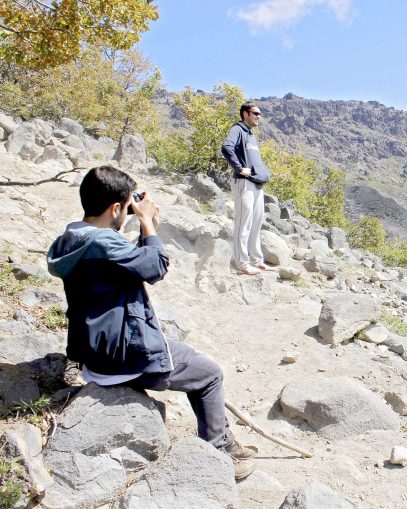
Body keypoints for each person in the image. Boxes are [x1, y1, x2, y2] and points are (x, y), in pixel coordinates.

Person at [47, 165, 257, 480]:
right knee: (209, 373)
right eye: (124, 207)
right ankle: (221, 450)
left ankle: (221, 439)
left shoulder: (71, 240)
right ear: (116, 208)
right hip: (125, 356)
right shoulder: (103, 245)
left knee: (188, 358)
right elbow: (156, 266)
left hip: (93, 354)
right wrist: (147, 224)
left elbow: (118, 263)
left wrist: (129, 222)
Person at [221, 101, 271, 275]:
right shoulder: (238, 130)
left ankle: (256, 260)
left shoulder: (251, 134)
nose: (259, 117)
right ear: (245, 114)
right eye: (255, 113)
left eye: (259, 114)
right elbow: (226, 147)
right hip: (244, 183)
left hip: (256, 183)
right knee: (243, 223)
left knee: (256, 223)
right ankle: (242, 263)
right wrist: (239, 168)